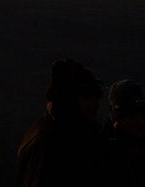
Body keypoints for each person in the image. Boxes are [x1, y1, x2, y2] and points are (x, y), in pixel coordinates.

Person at [16, 59, 107, 187]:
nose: (96, 104)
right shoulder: (50, 143)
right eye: (87, 97)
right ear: (67, 99)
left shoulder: (73, 134)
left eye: (97, 97)